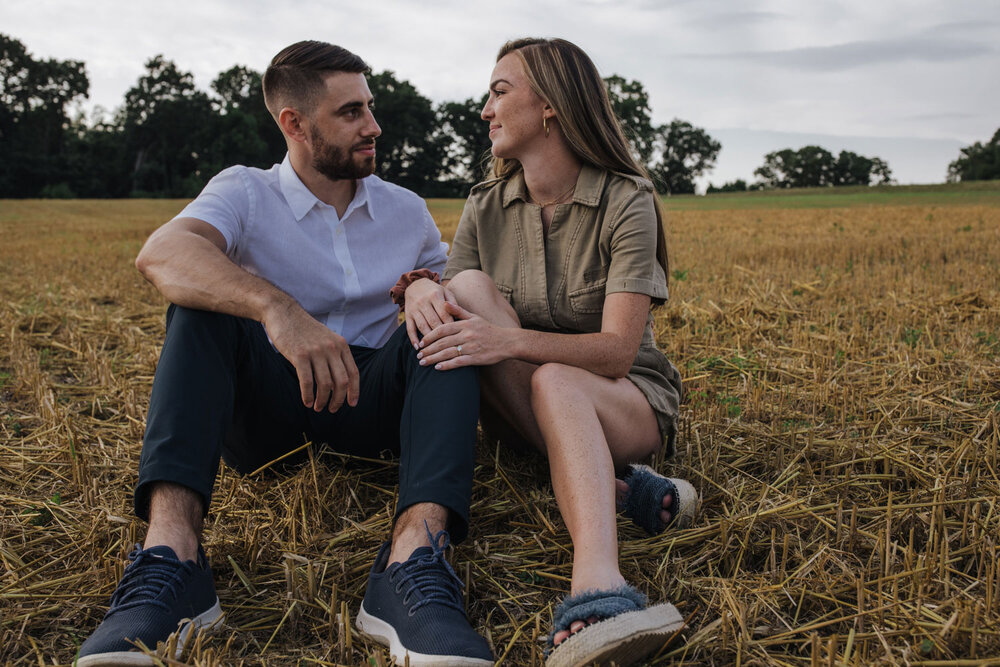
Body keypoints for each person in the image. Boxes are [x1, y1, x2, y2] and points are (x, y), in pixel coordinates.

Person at [77, 41, 493, 667]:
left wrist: (426, 285)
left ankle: (414, 565)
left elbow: (445, 281)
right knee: (198, 307)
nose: (373, 125)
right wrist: (279, 310)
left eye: (370, 107)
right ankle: (171, 559)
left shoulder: (405, 209)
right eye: (351, 112)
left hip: (376, 415)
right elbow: (162, 254)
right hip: (269, 419)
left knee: (450, 329)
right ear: (293, 124)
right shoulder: (243, 192)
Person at [402, 38, 698, 667]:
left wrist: (506, 341)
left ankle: (600, 583)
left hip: (623, 402)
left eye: (500, 91)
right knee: (468, 286)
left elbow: (617, 352)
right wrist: (419, 289)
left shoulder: (627, 199)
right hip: (527, 409)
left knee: (559, 381)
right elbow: (453, 304)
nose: (485, 109)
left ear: (552, 108)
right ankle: (620, 493)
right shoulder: (485, 205)